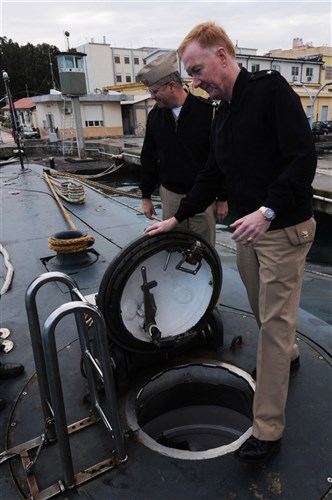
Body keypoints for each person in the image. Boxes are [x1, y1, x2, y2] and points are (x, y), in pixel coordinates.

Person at [145, 22, 317, 464]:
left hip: (282, 230)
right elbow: (213, 175)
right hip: (247, 232)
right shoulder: (221, 112)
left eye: (199, 70)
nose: (196, 81)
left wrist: (268, 211)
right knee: (262, 312)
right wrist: (176, 219)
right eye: (190, 74)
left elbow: (302, 159)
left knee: (274, 328)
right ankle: (290, 355)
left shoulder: (271, 91)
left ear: (223, 56)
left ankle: (267, 428)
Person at [137, 50, 228, 245]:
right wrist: (146, 196)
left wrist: (223, 198)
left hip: (203, 197)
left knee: (203, 250)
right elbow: (148, 157)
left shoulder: (209, 112)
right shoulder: (155, 117)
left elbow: (221, 160)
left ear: (171, 86)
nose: (152, 97)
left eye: (154, 91)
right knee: (172, 247)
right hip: (171, 196)